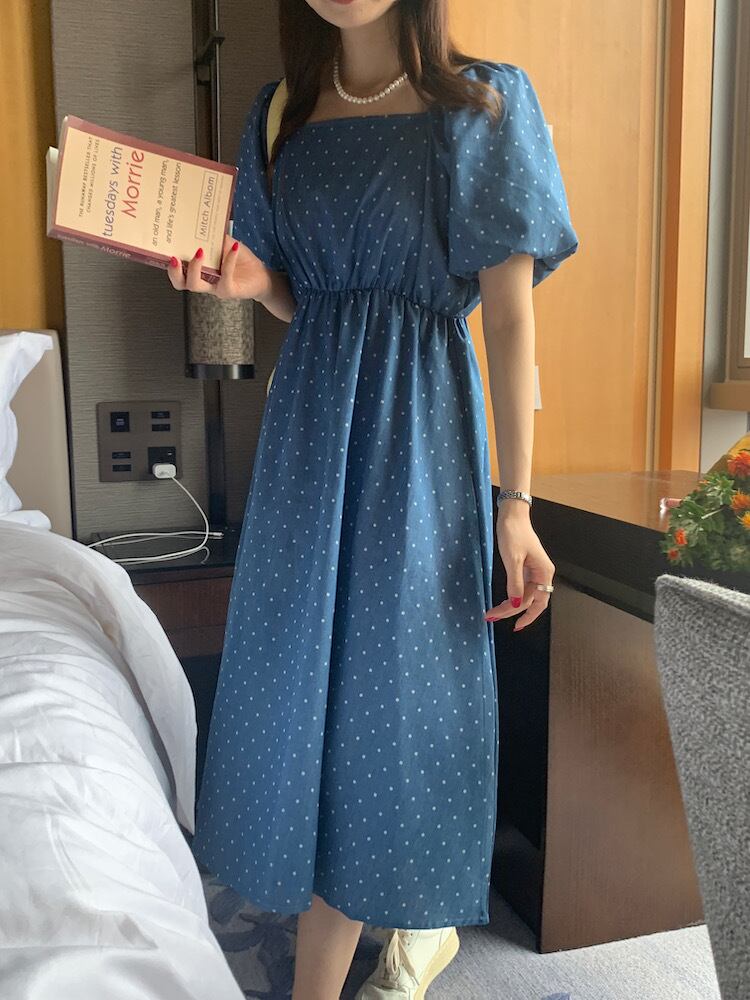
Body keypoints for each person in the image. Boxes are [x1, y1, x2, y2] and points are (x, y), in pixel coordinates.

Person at [167, 1, 578, 997]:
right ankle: (369, 933)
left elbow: (509, 323)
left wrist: (515, 504)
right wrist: (253, 285)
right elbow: (304, 297)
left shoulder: (484, 104)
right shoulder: (279, 113)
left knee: (391, 699)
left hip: (419, 431)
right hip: (307, 440)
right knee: (299, 686)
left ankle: (375, 942)